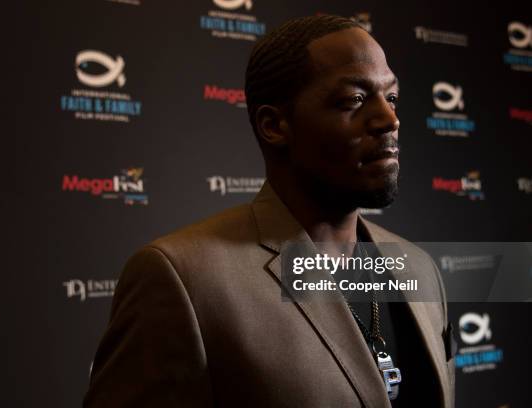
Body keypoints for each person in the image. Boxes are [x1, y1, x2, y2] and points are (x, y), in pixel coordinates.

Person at [84, 15, 455, 408]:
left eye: (391, 97)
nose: (389, 120)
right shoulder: (183, 280)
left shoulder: (420, 269)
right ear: (274, 125)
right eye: (354, 100)